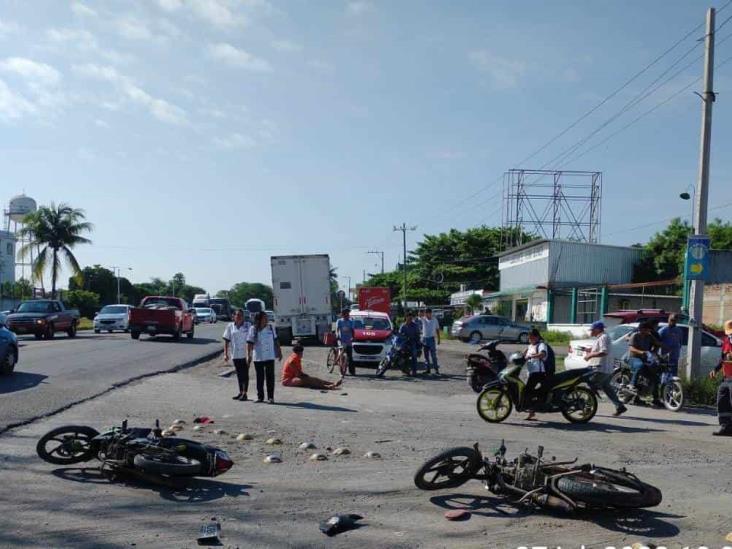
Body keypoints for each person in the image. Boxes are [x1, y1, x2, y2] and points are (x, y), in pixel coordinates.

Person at [584, 321, 627, 416]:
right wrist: (591, 350)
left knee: (591, 385)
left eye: (592, 330)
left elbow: (604, 352)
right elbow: (601, 350)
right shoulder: (603, 337)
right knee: (607, 387)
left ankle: (587, 409)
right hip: (606, 368)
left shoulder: (603, 337)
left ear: (597, 329)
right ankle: (620, 406)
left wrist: (590, 355)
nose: (590, 332)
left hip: (601, 368)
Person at [247, 311, 282, 404]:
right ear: (259, 319)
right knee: (260, 377)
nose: (266, 320)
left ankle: (271, 397)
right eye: (264, 318)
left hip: (270, 356)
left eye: (267, 318)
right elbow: (249, 343)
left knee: (270, 377)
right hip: (258, 357)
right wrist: (248, 356)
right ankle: (260, 397)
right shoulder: (253, 329)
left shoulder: (270, 327)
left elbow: (276, 340)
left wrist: (279, 351)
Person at [627, 321, 662, 405]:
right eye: (646, 329)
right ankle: (632, 385)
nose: (648, 331)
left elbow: (658, 344)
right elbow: (631, 348)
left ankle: (656, 399)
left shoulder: (649, 336)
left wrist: (654, 351)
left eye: (648, 329)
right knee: (640, 365)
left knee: (655, 377)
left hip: (645, 359)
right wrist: (642, 352)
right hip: (633, 358)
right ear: (641, 329)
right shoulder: (635, 335)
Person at [709, 319, 732, 436]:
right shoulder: (726, 342)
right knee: (722, 401)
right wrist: (715, 369)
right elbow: (723, 358)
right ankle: (726, 427)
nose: (730, 335)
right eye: (729, 333)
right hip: (726, 378)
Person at [223, 309, 252, 401]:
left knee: (245, 373)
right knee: (239, 374)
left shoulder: (248, 326)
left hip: (245, 354)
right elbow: (226, 341)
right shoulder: (230, 326)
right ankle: (240, 392)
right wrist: (225, 354)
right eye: (237, 315)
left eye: (241, 315)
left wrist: (250, 353)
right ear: (233, 317)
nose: (239, 317)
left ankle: (245, 393)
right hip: (235, 353)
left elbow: (251, 340)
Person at [523, 329, 548, 420]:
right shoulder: (530, 346)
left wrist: (531, 356)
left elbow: (542, 354)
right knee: (528, 391)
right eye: (529, 337)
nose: (529, 339)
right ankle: (532, 410)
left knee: (527, 391)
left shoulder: (541, 345)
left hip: (539, 372)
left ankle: (532, 410)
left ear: (537, 337)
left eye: (531, 337)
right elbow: (524, 355)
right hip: (531, 372)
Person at [658, 313, 683, 383]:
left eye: (675, 320)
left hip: (675, 355)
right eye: (671, 320)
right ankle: (663, 388)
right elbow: (656, 342)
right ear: (668, 320)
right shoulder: (663, 330)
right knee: (665, 374)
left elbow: (680, 342)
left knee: (674, 374)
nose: (673, 322)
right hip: (665, 356)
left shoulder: (679, 331)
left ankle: (671, 390)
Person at [399, 310, 421, 376]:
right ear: (406, 317)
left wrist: (417, 340)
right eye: (408, 317)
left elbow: (418, 334)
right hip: (404, 342)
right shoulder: (403, 326)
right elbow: (399, 334)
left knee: (414, 355)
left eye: (411, 317)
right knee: (400, 355)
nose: (410, 319)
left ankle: (414, 371)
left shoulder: (415, 325)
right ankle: (404, 369)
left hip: (412, 342)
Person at [421, 308, 441, 375]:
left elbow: (437, 329)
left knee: (433, 355)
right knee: (426, 356)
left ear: (430, 313)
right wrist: (422, 309)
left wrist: (439, 339)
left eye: (428, 313)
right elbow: (419, 314)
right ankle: (427, 369)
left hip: (431, 339)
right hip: (424, 339)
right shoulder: (423, 319)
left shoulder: (435, 320)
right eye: (425, 313)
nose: (426, 314)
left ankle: (436, 369)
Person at [335, 309, 355, 375]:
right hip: (341, 340)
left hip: (348, 340)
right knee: (342, 355)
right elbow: (337, 330)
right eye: (346, 314)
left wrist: (353, 337)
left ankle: (352, 371)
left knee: (350, 356)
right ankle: (341, 369)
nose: (348, 315)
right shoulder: (339, 321)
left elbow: (352, 330)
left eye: (348, 314)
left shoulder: (351, 321)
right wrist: (337, 335)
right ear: (343, 315)